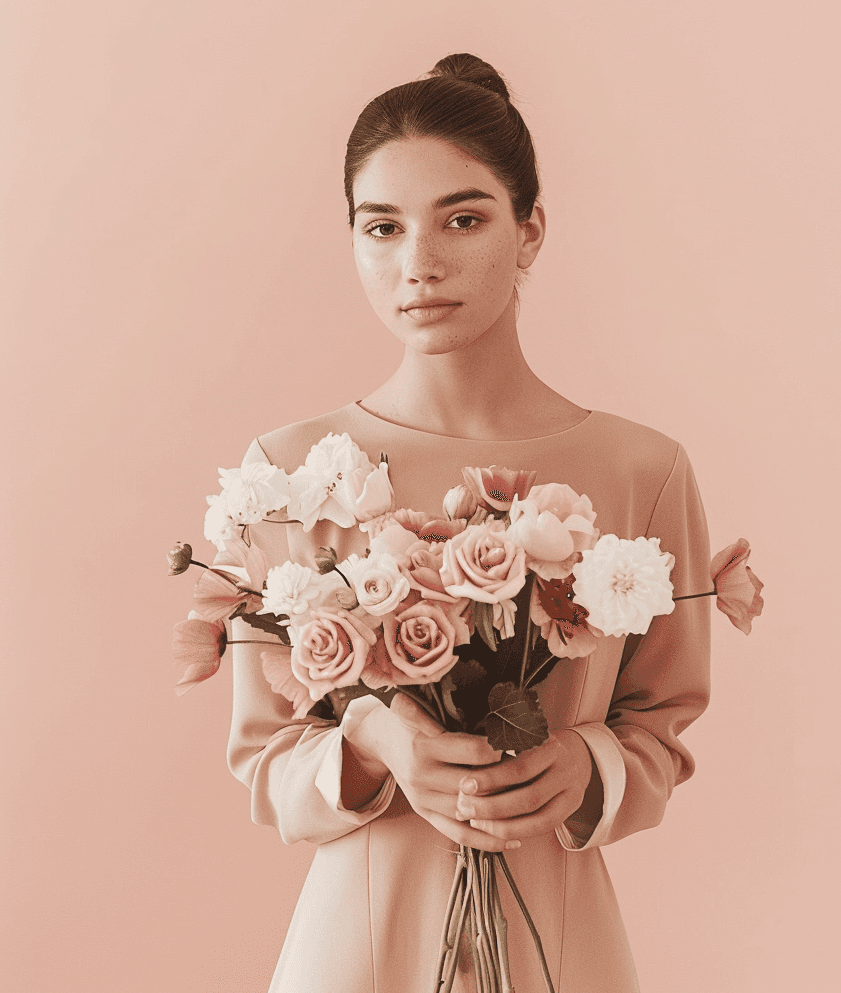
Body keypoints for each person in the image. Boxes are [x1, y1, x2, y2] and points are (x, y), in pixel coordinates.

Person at [218, 54, 712, 992]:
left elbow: (662, 725)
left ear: (530, 231)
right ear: (354, 240)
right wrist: (373, 741)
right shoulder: (286, 474)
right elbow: (264, 759)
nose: (419, 264)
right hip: (355, 950)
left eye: (463, 218)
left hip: (558, 941)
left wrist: (586, 762)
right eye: (383, 227)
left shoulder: (643, 469)